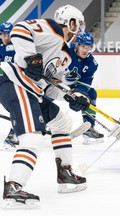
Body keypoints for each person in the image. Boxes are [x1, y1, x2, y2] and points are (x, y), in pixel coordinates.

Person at [0, 5, 89, 208]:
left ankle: (64, 172)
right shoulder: (53, 29)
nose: (80, 29)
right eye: (79, 24)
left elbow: (50, 87)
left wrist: (70, 96)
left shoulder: (65, 54)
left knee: (62, 121)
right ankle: (14, 186)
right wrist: (31, 57)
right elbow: (19, 29)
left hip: (34, 90)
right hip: (16, 83)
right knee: (32, 136)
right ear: (71, 23)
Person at [63, 31, 104, 144]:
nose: (86, 50)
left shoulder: (92, 63)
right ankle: (33, 126)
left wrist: (78, 96)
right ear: (77, 45)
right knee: (41, 97)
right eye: (83, 46)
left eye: (89, 47)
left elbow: (85, 84)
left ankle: (89, 127)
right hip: (56, 83)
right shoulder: (65, 51)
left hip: (74, 87)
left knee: (91, 93)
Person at [0, 22, 20, 148]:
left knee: (16, 107)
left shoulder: (18, 46)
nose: (7, 38)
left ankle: (13, 135)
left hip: (13, 82)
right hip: (3, 81)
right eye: (4, 35)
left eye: (9, 35)